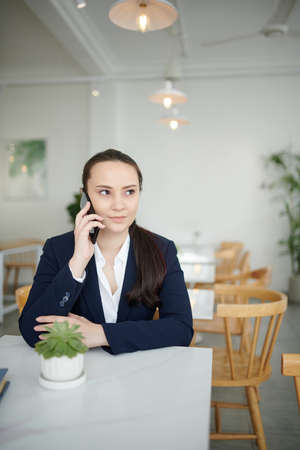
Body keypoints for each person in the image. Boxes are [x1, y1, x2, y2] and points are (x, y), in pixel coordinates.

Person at [19, 149, 193, 355]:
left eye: (129, 191)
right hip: (79, 374)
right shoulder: (58, 249)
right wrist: (77, 262)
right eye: (105, 192)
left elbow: (181, 329)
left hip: (139, 373)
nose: (119, 205)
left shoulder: (162, 249)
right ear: (85, 197)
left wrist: (101, 334)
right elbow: (32, 332)